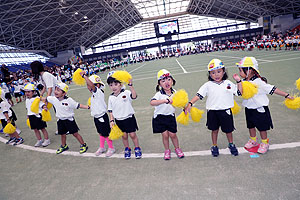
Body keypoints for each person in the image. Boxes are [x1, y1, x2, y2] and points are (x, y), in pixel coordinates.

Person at [233, 57, 294, 154]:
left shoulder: (259, 82)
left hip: (259, 109)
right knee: (251, 126)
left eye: (241, 69)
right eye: (239, 70)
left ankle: (264, 143)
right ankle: (253, 140)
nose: (240, 72)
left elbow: (273, 89)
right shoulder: (244, 81)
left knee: (262, 128)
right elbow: (237, 91)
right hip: (249, 108)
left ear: (250, 70)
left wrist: (286, 95)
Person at [185, 59, 240, 157]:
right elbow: (199, 95)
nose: (216, 75)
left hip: (226, 111)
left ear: (223, 72)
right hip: (212, 112)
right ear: (210, 75)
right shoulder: (207, 85)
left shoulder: (228, 83)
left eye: (219, 71)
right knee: (214, 130)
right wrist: (190, 103)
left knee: (228, 130)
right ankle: (214, 146)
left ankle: (231, 144)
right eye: (213, 73)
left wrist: (239, 81)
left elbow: (239, 93)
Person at [44, 83, 89, 154]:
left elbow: (78, 105)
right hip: (60, 120)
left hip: (69, 120)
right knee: (62, 134)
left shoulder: (69, 100)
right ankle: (64, 145)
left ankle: (83, 145)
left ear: (64, 93)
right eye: (55, 89)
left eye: (58, 90)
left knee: (75, 134)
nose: (55, 91)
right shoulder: (53, 99)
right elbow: (46, 99)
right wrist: (44, 105)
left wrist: (88, 107)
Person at [150, 69, 184, 160]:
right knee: (165, 135)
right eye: (163, 81)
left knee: (173, 135)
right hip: (160, 118)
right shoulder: (159, 94)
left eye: (169, 79)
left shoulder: (175, 92)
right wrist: (164, 101)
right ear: (159, 84)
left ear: (172, 81)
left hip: (170, 117)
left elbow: (179, 102)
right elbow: (152, 102)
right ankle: (167, 150)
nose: (166, 82)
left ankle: (177, 148)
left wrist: (184, 107)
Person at [107, 71, 142, 159]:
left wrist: (131, 86)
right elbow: (110, 111)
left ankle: (137, 148)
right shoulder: (111, 98)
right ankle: (127, 148)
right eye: (111, 85)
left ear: (121, 84)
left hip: (129, 118)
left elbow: (134, 96)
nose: (113, 87)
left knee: (132, 135)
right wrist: (111, 121)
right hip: (119, 120)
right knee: (124, 136)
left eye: (116, 84)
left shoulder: (126, 92)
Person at [81, 72, 115, 157]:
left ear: (98, 85)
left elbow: (92, 86)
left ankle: (111, 148)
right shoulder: (93, 95)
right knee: (100, 133)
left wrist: (84, 76)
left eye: (89, 85)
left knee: (106, 134)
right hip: (96, 117)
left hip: (102, 117)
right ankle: (102, 147)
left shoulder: (98, 92)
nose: (88, 86)